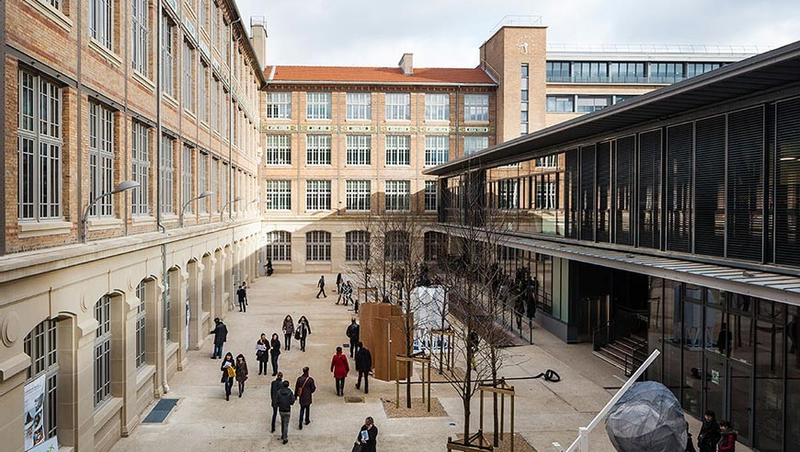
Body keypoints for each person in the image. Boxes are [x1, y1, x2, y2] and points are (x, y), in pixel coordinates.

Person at [276, 380, 295, 444]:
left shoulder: (279, 392)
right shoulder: (290, 392)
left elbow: (277, 400)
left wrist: (279, 404)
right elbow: (292, 401)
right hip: (287, 409)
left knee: (282, 422)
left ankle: (283, 435)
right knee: (286, 424)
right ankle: (285, 438)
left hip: (281, 409)